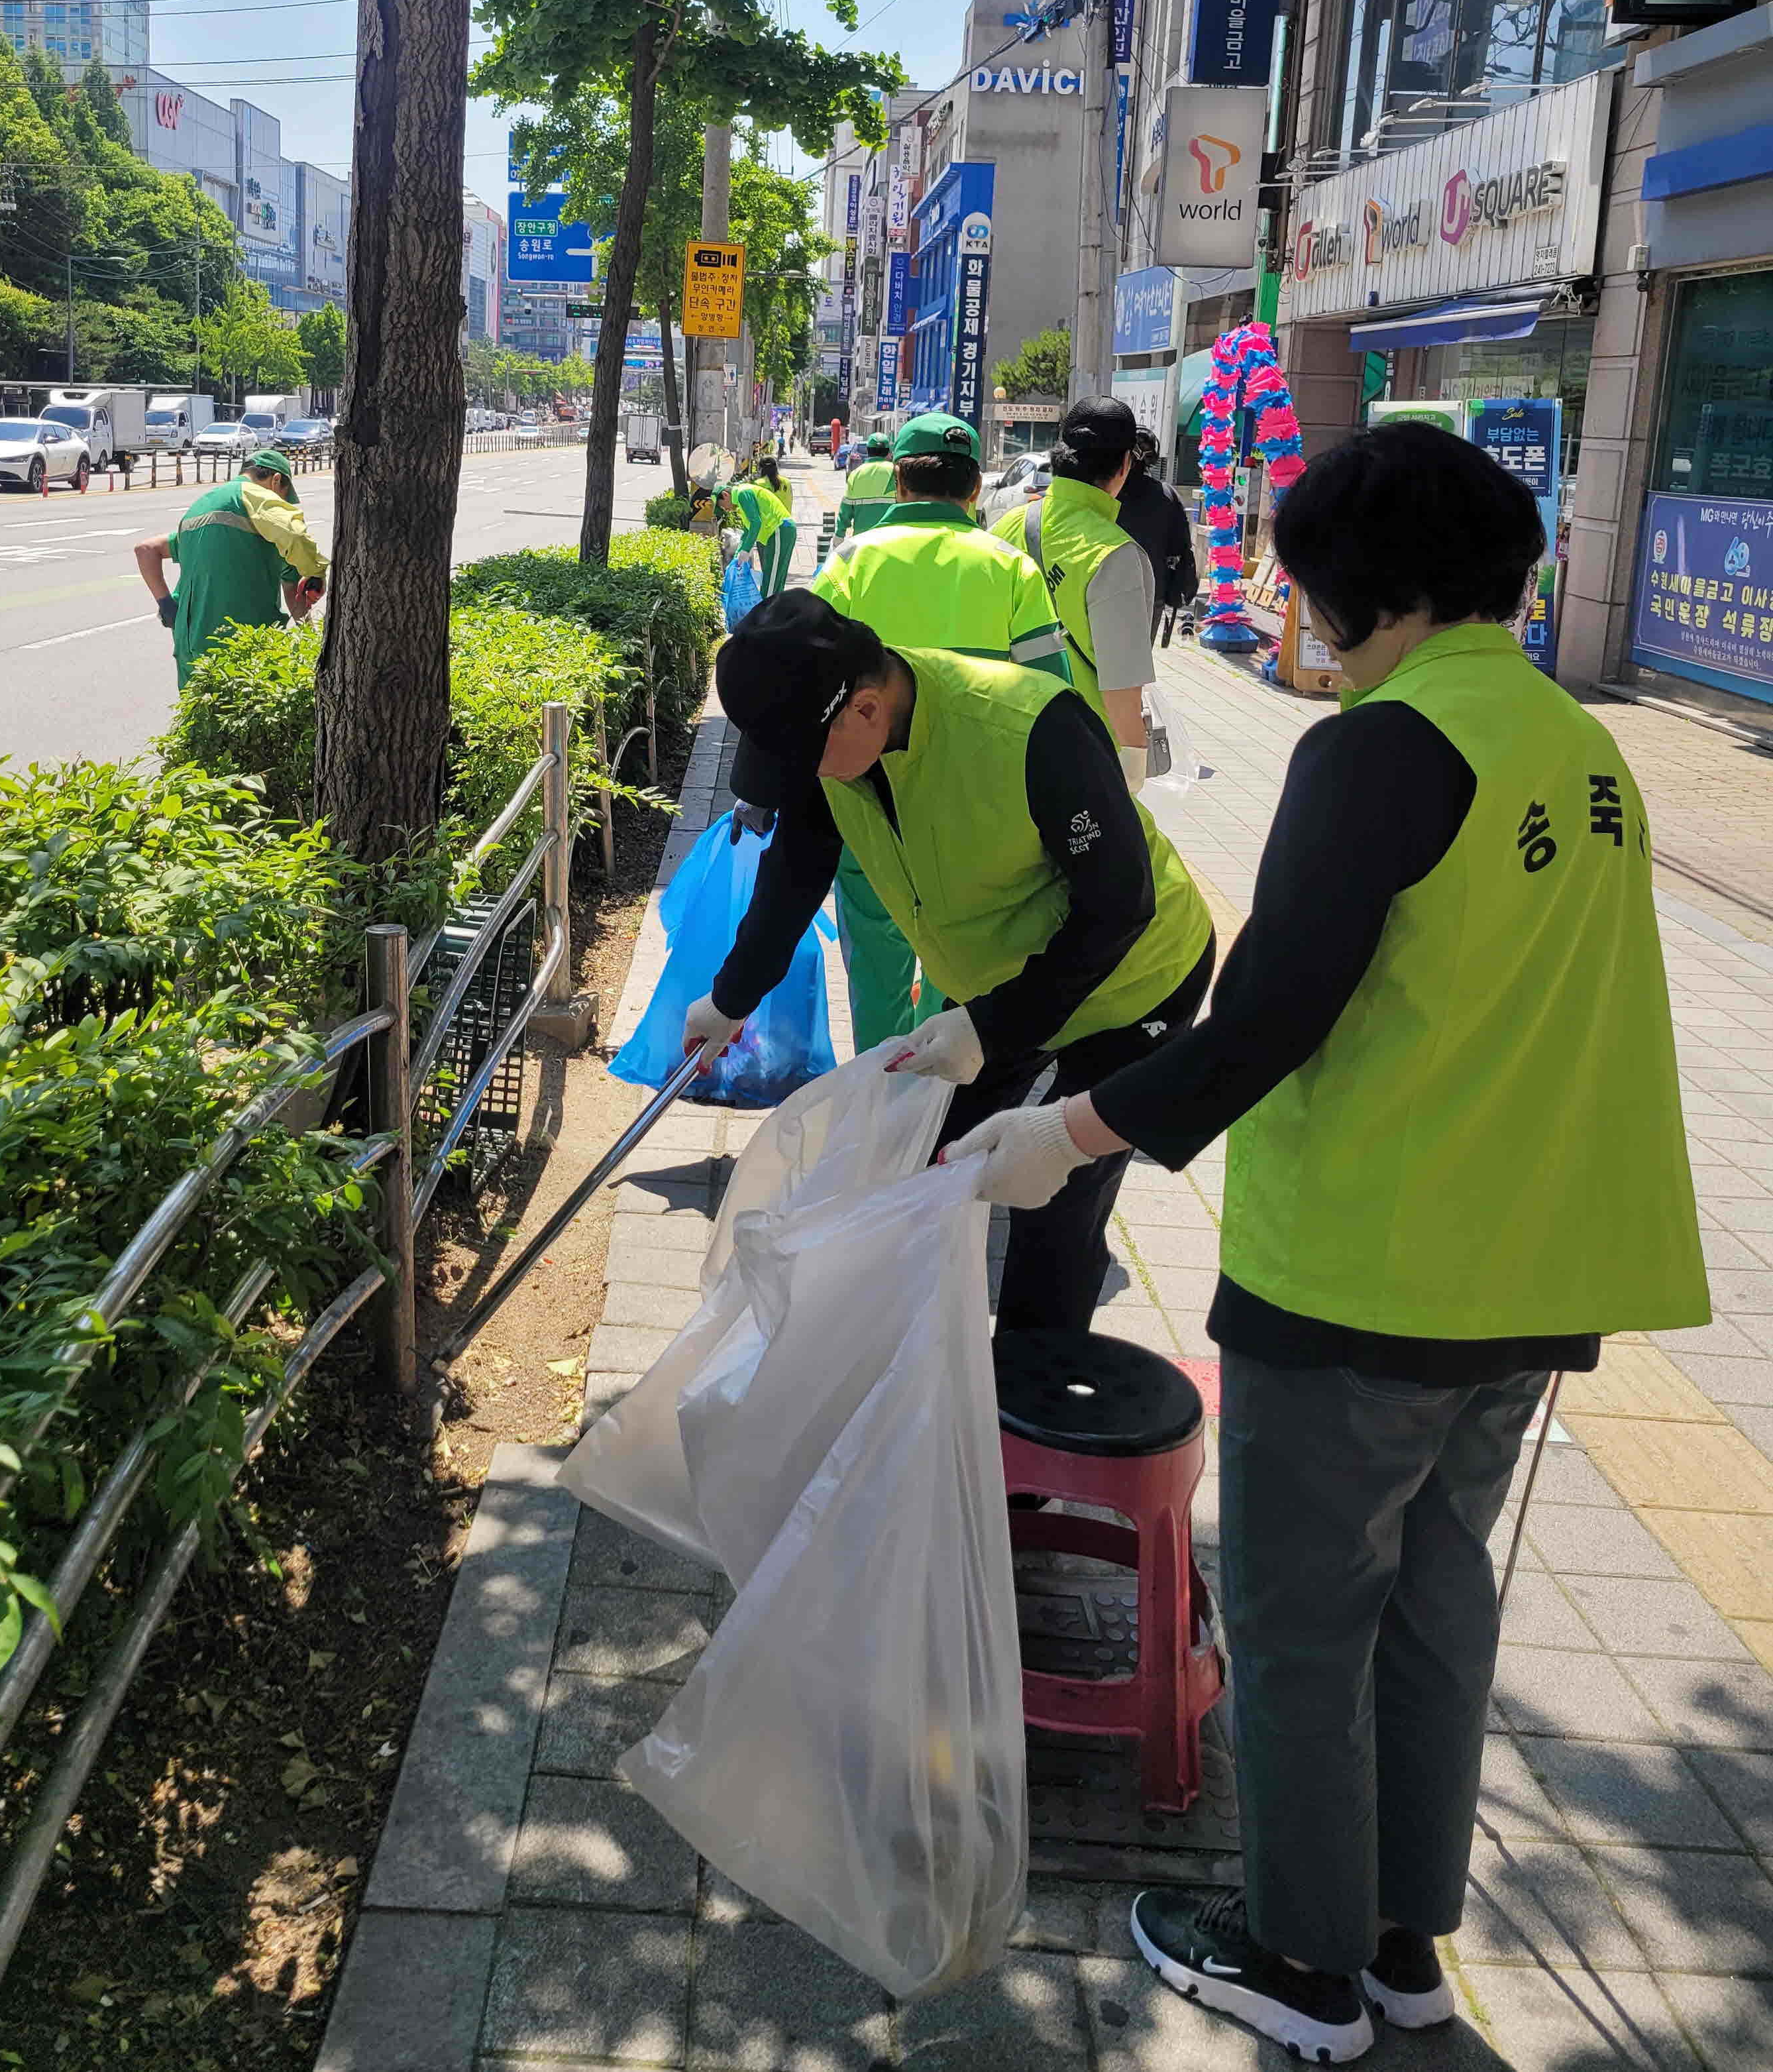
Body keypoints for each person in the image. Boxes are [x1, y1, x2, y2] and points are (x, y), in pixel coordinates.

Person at [945, 420, 1711, 2065]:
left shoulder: (1380, 748)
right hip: (1531, 1271)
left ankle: (1296, 1968)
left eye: (1304, 589)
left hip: (1362, 1275)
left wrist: (1067, 1134)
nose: (1296, 620)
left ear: (1364, 591)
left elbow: (1277, 1006)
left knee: (1300, 1625)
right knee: (1437, 1607)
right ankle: (1403, 1947)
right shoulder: (1577, 747)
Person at [684, 588, 1216, 1336]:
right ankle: (913, 1360)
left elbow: (1120, 903)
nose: (802, 776)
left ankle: (1031, 1396)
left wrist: (993, 1027)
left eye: (804, 757)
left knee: (1055, 1193)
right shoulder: (833, 754)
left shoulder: (1030, 727)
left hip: (1135, 981)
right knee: (921, 1151)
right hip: (998, 988)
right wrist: (730, 998)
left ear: (866, 708)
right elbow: (794, 876)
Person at [812, 409, 1070, 1050]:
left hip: (871, 798)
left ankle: (883, 1095)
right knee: (969, 964)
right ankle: (946, 1098)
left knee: (876, 957)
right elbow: (1051, 696)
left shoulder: (849, 565)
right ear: (975, 489)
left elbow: (807, 688)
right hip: (982, 806)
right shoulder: (1012, 569)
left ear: (898, 481)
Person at [995, 396, 1158, 787]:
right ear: (1124, 466)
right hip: (1078, 754)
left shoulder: (1004, 528)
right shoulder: (1115, 555)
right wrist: (1132, 774)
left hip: (998, 735)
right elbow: (1121, 684)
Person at [133, 447, 328, 690]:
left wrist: (167, 605)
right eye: (283, 497)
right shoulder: (253, 496)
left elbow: (146, 549)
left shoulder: (201, 507)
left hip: (190, 642)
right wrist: (316, 572)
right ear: (276, 481)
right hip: (241, 643)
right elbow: (295, 535)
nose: (280, 505)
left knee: (198, 719)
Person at [1117, 427, 1199, 637]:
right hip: (1153, 592)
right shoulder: (1166, 495)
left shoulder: (1108, 491)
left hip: (1108, 590)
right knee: (1140, 660)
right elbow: (1180, 545)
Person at [729, 466, 796, 599]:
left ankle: (766, 615)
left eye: (722, 506)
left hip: (777, 529)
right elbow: (748, 530)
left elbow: (755, 523)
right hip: (776, 530)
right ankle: (773, 613)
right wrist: (740, 552)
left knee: (771, 579)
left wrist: (746, 550)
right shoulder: (785, 482)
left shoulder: (747, 491)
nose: (726, 510)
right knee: (774, 578)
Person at [833, 431, 896, 539]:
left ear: (868, 451)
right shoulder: (895, 472)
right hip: (890, 540)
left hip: (862, 541)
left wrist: (839, 536)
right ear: (888, 451)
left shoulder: (856, 474)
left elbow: (845, 511)